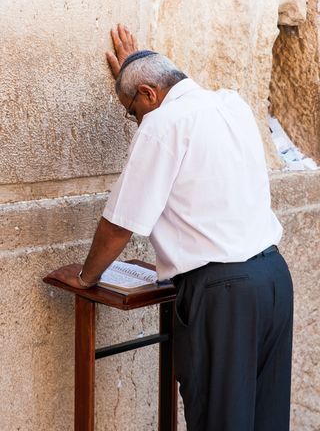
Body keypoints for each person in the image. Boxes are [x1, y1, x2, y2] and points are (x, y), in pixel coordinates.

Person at [50, 24, 294, 431]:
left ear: (149, 94)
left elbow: (119, 225)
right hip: (272, 281)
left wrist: (85, 277)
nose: (135, 122)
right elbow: (173, 94)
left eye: (132, 111)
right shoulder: (231, 104)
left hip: (223, 295)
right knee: (265, 421)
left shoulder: (161, 124)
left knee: (220, 421)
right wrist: (136, 67)